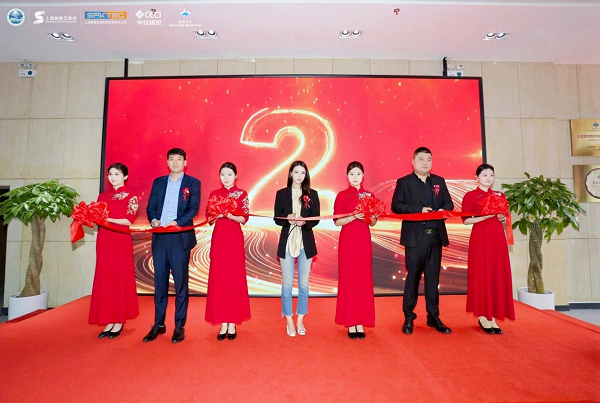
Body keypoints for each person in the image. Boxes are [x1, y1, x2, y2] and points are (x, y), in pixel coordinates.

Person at [391, 147, 454, 335]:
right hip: (415, 238)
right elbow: (396, 206)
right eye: (421, 159)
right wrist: (419, 210)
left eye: (428, 159)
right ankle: (408, 316)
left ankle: (433, 316)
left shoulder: (439, 181)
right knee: (413, 277)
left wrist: (441, 210)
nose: (425, 162)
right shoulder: (404, 182)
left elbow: (449, 203)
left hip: (435, 237)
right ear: (413, 162)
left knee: (433, 278)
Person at [143, 148, 200, 344]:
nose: (175, 162)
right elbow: (151, 206)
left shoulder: (193, 183)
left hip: (179, 237)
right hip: (160, 237)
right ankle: (158, 324)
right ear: (167, 162)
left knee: (180, 283)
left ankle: (179, 326)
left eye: (179, 159)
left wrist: (177, 222)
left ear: (185, 162)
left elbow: (193, 208)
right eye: (172, 159)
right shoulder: (158, 182)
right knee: (159, 283)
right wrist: (154, 220)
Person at [462, 164, 515, 334]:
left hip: (497, 239)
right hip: (480, 238)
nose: (488, 178)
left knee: (496, 273)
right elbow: (466, 220)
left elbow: (504, 218)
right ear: (476, 177)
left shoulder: (499, 195)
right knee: (482, 274)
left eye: (491, 175)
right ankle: (483, 316)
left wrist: (501, 218)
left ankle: (493, 315)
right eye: (484, 175)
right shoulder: (470, 196)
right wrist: (485, 216)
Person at [89, 162, 139, 339]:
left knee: (119, 279)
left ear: (125, 176)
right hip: (104, 240)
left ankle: (119, 320)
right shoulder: (102, 196)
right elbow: (96, 217)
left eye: (117, 174)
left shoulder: (131, 195)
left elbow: (129, 220)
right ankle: (109, 319)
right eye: (110, 174)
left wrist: (107, 219)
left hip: (120, 240)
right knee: (105, 279)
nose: (112, 177)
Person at [274, 161, 320, 337]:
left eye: (303, 172)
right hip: (287, 242)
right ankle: (289, 320)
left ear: (306, 175)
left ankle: (300, 319)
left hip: (305, 243)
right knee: (287, 284)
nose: (299, 175)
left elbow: (316, 218)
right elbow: (276, 218)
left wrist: (305, 222)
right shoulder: (281, 194)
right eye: (296, 172)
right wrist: (287, 218)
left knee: (304, 284)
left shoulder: (312, 194)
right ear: (291, 174)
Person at [205, 162, 251, 340]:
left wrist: (231, 215)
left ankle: (232, 323)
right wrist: (216, 215)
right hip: (219, 238)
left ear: (236, 176)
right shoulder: (214, 194)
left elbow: (244, 218)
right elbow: (209, 219)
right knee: (219, 279)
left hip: (234, 239)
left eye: (229, 174)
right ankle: (222, 322)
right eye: (222, 174)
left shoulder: (242, 194)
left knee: (234, 278)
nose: (226, 177)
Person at [334, 161, 377, 339]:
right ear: (347, 176)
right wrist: (353, 216)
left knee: (363, 280)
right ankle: (351, 322)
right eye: (352, 174)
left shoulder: (369, 195)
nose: (355, 177)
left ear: (363, 175)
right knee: (349, 279)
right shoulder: (342, 195)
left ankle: (361, 321)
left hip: (364, 241)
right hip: (348, 242)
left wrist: (366, 217)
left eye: (358, 174)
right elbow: (337, 221)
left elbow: (373, 222)